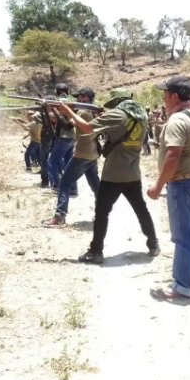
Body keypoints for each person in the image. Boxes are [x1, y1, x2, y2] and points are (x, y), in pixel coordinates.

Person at [57, 88, 159, 264]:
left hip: (113, 174)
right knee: (141, 209)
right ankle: (153, 243)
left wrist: (67, 111)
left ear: (117, 101)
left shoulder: (117, 115)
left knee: (102, 212)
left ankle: (96, 251)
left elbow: (87, 128)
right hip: (133, 173)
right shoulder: (141, 114)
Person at [147, 76, 190, 300]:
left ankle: (181, 285)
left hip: (182, 183)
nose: (163, 97)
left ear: (174, 96)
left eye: (165, 93)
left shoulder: (177, 120)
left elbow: (173, 155)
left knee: (183, 236)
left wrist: (158, 185)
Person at [43, 88, 101, 228]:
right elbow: (68, 124)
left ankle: (59, 216)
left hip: (83, 153)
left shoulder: (83, 112)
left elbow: (67, 125)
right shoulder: (92, 111)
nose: (76, 99)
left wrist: (63, 111)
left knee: (64, 183)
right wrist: (58, 110)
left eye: (79, 97)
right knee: (96, 186)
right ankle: (102, 213)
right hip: (92, 152)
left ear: (85, 98)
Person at [47, 84, 76, 191]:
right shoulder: (71, 102)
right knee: (68, 163)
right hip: (71, 137)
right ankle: (73, 188)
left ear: (56, 92)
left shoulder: (59, 102)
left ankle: (59, 187)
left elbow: (55, 119)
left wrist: (49, 111)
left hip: (64, 137)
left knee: (52, 161)